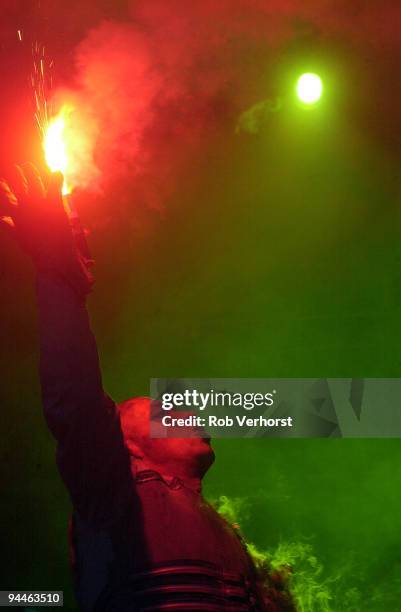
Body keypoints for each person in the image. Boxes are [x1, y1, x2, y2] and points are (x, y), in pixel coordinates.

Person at [0, 165, 295, 611]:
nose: (189, 414)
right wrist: (58, 274)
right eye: (164, 412)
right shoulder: (110, 487)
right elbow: (72, 395)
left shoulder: (222, 532)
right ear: (127, 447)